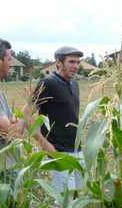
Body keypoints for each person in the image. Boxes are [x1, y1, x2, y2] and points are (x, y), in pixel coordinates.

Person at [25, 46, 83, 193]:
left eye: (78, 62)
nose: (76, 66)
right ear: (58, 63)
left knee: (79, 198)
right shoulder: (48, 83)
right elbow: (25, 115)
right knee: (62, 202)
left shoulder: (74, 84)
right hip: (58, 152)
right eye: (71, 62)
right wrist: (45, 145)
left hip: (77, 150)